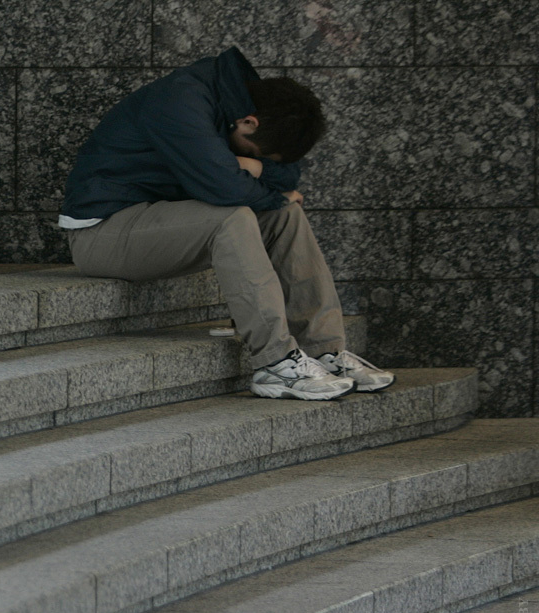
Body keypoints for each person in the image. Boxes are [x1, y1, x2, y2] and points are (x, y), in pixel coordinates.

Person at [60, 46, 393, 400]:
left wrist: (254, 167)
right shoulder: (181, 103)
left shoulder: (245, 101)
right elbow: (223, 188)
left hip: (162, 219)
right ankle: (274, 363)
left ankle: (324, 351)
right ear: (249, 122)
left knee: (286, 214)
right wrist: (262, 185)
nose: (246, 157)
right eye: (251, 153)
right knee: (233, 217)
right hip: (102, 233)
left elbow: (289, 173)